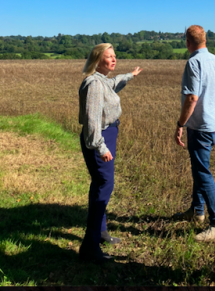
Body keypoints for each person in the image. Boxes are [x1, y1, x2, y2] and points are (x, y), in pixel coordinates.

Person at [78, 43, 142, 262]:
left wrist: (130, 76)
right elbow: (92, 120)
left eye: (115, 56)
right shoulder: (94, 84)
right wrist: (101, 147)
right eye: (109, 57)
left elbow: (113, 83)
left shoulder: (103, 80)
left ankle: (101, 231)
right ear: (98, 60)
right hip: (100, 139)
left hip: (107, 135)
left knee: (100, 184)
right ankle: (90, 246)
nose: (114, 59)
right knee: (105, 185)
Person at [173, 25, 215, 242]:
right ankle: (197, 211)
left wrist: (180, 124)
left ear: (187, 41)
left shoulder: (193, 62)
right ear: (205, 39)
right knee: (199, 167)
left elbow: (192, 97)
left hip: (200, 126)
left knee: (203, 173)